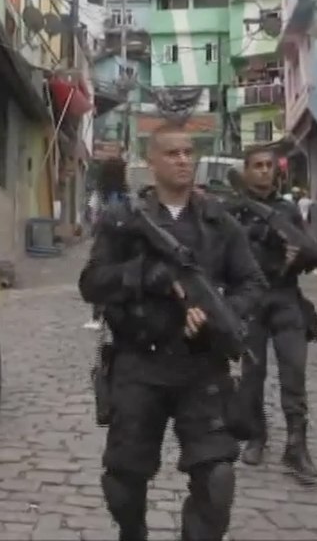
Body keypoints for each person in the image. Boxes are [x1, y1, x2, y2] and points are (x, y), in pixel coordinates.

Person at [79, 122, 266, 541]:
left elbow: (253, 283)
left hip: (202, 366)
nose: (183, 160)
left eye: (188, 153)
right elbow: (91, 283)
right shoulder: (124, 222)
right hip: (138, 363)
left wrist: (221, 315)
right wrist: (147, 275)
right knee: (123, 481)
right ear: (152, 161)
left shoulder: (218, 222)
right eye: (172, 153)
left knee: (217, 480)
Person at [228, 146, 317, 484]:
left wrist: (298, 257)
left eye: (269, 165)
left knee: (294, 373)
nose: (264, 171)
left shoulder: (287, 210)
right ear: (246, 171)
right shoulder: (234, 211)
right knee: (252, 374)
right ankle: (256, 436)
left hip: (285, 298)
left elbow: (312, 253)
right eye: (257, 165)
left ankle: (297, 445)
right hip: (252, 301)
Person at [84, 158, 132, 330]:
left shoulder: (100, 193)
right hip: (124, 240)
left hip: (104, 240)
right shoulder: (126, 194)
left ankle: (97, 317)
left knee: (101, 276)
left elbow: (92, 215)